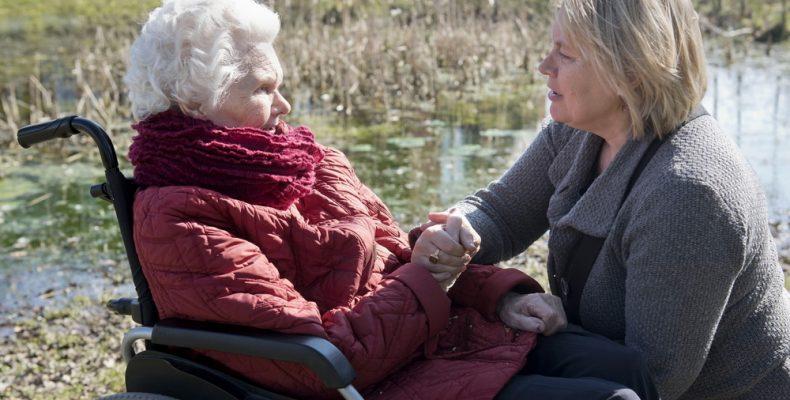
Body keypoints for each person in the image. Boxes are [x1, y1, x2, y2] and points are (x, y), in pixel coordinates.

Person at [123, 1, 656, 399]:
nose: (284, 105)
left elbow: (399, 259)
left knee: (625, 368)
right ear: (196, 103)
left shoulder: (314, 163)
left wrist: (501, 299)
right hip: (368, 381)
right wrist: (429, 278)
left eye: (280, 84)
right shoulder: (179, 216)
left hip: (431, 343)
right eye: (261, 89)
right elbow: (325, 357)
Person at [414, 0, 790, 399]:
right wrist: (456, 229)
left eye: (566, 54)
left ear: (629, 69)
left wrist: (553, 326)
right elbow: (500, 213)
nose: (545, 65)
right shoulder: (579, 130)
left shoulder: (688, 195)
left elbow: (653, 377)